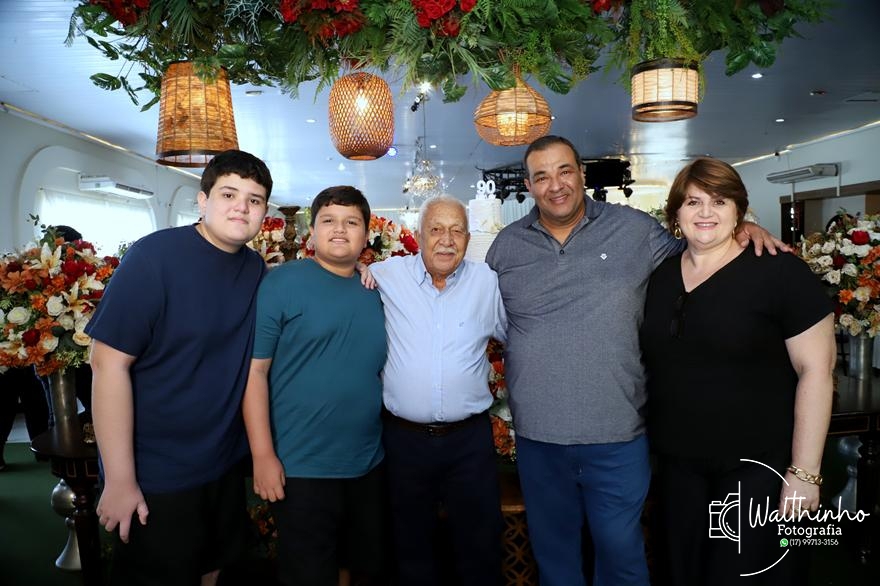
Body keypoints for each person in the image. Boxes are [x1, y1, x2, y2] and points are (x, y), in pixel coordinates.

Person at [485, 135, 787, 586]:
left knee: (621, 557)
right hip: (538, 440)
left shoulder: (633, 230)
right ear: (528, 186)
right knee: (554, 558)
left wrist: (744, 229)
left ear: (581, 173)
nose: (555, 185)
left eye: (564, 171)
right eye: (541, 176)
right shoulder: (505, 247)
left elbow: (703, 253)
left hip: (617, 437)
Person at [640, 157, 834, 585]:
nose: (705, 213)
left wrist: (804, 472)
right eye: (693, 202)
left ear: (739, 211)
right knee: (683, 573)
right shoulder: (662, 276)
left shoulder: (780, 271)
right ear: (676, 214)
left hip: (756, 468)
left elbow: (817, 372)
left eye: (719, 201)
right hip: (678, 467)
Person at [86, 150, 272, 586]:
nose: (241, 207)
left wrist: (360, 270)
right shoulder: (153, 257)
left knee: (213, 570)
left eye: (254, 199)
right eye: (229, 194)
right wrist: (120, 479)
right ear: (202, 200)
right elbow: (106, 364)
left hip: (222, 461)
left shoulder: (254, 268)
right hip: (157, 469)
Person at [243, 186, 387, 586]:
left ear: (366, 233)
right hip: (301, 465)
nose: (339, 229)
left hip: (368, 462)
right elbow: (255, 374)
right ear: (312, 230)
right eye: (328, 220)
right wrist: (262, 455)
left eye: (351, 222)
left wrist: (370, 270)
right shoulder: (281, 284)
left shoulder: (377, 288)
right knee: (309, 574)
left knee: (362, 569)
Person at [364, 196, 507, 585]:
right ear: (418, 235)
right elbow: (348, 274)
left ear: (468, 238)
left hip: (469, 442)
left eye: (457, 230)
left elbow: (519, 336)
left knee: (480, 546)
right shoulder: (387, 275)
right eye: (436, 229)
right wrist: (361, 268)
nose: (447, 239)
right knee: (410, 545)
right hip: (404, 441)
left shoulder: (487, 282)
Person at [0, 367, 50, 470]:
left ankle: (43, 451)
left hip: (30, 364)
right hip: (4, 364)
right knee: (4, 410)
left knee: (38, 408)